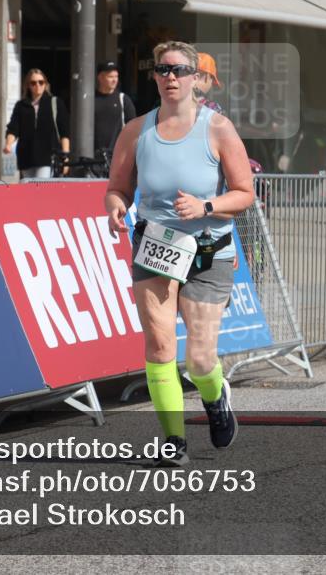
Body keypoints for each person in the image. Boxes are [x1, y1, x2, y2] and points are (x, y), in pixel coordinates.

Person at [104, 41, 255, 466]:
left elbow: (244, 193)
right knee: (158, 346)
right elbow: (118, 188)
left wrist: (206, 206)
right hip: (155, 247)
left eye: (179, 70)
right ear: (154, 76)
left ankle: (215, 395)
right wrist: (115, 206)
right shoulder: (136, 131)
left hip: (208, 250)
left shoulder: (218, 128)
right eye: (162, 70)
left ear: (195, 78)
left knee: (200, 359)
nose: (170, 77)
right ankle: (173, 440)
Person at [3, 68, 69, 179]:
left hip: (48, 157)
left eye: (41, 82)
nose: (37, 85)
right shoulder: (21, 106)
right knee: (28, 189)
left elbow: (64, 132)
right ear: (28, 85)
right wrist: (8, 144)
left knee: (41, 186)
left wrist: (65, 156)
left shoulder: (55, 103)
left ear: (45, 84)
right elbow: (13, 128)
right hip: (26, 158)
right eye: (33, 83)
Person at [93, 61, 137, 156]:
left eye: (116, 76)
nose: (114, 80)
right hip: (94, 157)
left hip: (117, 155)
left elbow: (133, 128)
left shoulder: (123, 99)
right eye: (110, 77)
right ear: (100, 77)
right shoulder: (91, 100)